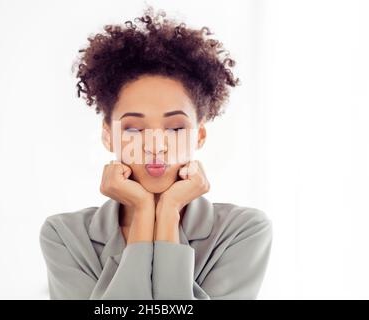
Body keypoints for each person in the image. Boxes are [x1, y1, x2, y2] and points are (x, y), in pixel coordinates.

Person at [39, 5, 273, 300]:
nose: (155, 145)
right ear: (108, 135)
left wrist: (167, 213)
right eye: (134, 129)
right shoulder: (65, 236)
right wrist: (143, 211)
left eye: (175, 128)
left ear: (199, 135)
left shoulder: (242, 231)